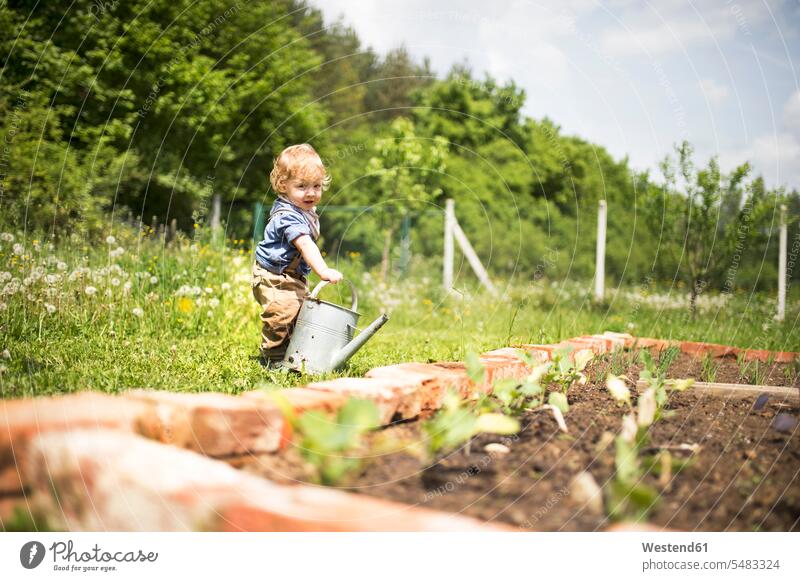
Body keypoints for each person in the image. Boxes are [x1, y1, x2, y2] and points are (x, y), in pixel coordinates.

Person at [251, 144, 343, 366]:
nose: (311, 192)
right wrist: (323, 270)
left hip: (292, 276)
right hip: (274, 277)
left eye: (316, 186)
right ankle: (272, 360)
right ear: (284, 185)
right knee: (282, 314)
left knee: (302, 314)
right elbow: (305, 243)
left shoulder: (305, 210)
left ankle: (293, 354)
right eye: (302, 186)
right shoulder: (288, 216)